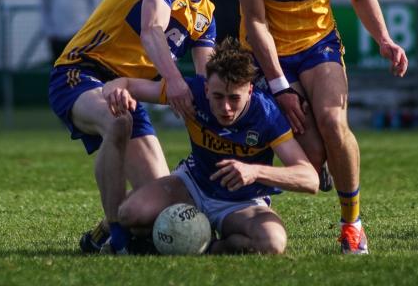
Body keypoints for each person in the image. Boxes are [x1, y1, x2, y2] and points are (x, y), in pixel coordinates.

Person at [229, 0, 409, 255]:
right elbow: (255, 21)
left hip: (318, 43)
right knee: (309, 160)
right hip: (268, 51)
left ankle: (352, 225)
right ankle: (317, 165)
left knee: (332, 120)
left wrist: (384, 39)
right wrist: (280, 87)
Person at [48, 0, 234, 254]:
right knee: (117, 120)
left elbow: (209, 82)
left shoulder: (205, 11)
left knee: (159, 207)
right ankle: (118, 239)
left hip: (129, 90)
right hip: (80, 73)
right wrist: (175, 81)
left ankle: (102, 232)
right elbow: (151, 29)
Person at [107, 37, 319, 254]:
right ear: (207, 88)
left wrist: (254, 172)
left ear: (249, 91)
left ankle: (211, 246)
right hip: (191, 186)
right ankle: (111, 234)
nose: (225, 107)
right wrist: (118, 91)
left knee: (272, 243)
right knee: (129, 214)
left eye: (234, 98)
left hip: (241, 203)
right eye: (217, 96)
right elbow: (125, 84)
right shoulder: (191, 93)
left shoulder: (267, 115)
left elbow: (310, 179)